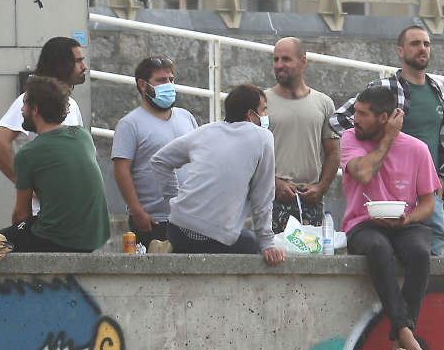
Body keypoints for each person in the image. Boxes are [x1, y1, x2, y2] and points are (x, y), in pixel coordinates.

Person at [330, 25, 444, 256]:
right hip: (393, 194)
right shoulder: (383, 88)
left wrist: (443, 178)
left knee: (433, 252)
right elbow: (339, 119)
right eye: (415, 44)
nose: (422, 48)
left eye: (426, 44)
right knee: (390, 253)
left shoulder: (436, 87)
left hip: (428, 191)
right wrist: (364, 143)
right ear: (400, 51)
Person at [340, 86, 440, 350]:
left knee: (420, 252)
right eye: (356, 112)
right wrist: (388, 139)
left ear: (384, 118)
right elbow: (363, 173)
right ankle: (406, 334)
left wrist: (406, 219)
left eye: (363, 114)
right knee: (378, 248)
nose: (355, 119)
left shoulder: (417, 149)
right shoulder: (350, 138)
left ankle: (399, 343)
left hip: (404, 223)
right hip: (362, 223)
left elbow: (428, 205)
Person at [149, 84, 284, 264]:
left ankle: (172, 248)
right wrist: (267, 242)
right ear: (250, 115)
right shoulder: (263, 137)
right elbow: (263, 196)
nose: (266, 115)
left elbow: (159, 160)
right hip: (215, 238)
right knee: (252, 243)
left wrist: (174, 201)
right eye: (264, 110)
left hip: (176, 229)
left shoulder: (206, 131)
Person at [0, 75, 112, 253]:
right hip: (95, 237)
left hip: (57, 239)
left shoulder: (28, 154)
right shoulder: (83, 136)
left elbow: (21, 214)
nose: (21, 109)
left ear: (35, 110)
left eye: (25, 104)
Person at [0, 36, 87, 216]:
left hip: (72, 213)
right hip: (43, 215)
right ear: (61, 64)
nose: (84, 66)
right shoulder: (29, 101)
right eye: (78, 61)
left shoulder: (72, 105)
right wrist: (28, 186)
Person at [111, 56, 198, 247]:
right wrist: (137, 212)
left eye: (171, 79)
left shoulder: (186, 117)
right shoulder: (129, 124)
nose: (169, 85)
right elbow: (121, 170)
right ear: (143, 85)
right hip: (153, 221)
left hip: (189, 218)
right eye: (161, 80)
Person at [267, 37, 339, 233]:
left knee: (311, 252)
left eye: (286, 59)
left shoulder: (324, 103)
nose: (279, 65)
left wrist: (322, 187)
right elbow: (250, 155)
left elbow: (333, 152)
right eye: (275, 59)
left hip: (310, 200)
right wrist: (274, 184)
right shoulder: (261, 102)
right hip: (271, 199)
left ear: (303, 61)